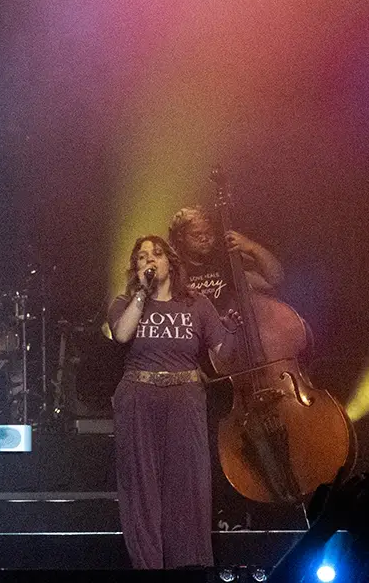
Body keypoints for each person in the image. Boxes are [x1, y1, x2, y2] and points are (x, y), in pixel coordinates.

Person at [107, 235, 234, 569]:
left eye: (157, 254)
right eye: (142, 257)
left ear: (170, 262)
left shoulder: (197, 304)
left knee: (187, 488)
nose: (150, 261)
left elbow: (223, 354)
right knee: (142, 487)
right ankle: (148, 568)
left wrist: (238, 330)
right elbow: (122, 335)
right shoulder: (124, 302)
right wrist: (141, 295)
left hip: (184, 402)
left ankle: (189, 569)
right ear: (136, 267)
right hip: (139, 399)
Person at [168, 206, 284, 314]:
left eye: (208, 233)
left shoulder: (227, 259)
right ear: (180, 236)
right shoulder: (173, 267)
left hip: (232, 329)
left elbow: (275, 279)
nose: (204, 238)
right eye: (196, 234)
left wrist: (252, 247)